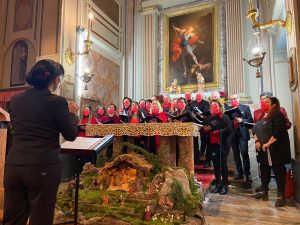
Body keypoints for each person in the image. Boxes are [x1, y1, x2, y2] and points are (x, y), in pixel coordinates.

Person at [3, 60, 79, 225]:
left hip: (14, 165)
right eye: (59, 78)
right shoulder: (56, 102)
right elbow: (71, 134)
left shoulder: (15, 100)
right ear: (53, 79)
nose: (59, 82)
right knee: (40, 218)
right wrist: (72, 114)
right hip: (42, 167)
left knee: (13, 219)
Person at [252, 96, 291, 207]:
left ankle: (280, 195)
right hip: (264, 149)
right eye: (262, 102)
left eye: (266, 102)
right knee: (264, 170)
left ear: (273, 104)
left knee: (278, 171)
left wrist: (268, 143)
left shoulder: (278, 114)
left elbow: (279, 131)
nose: (263, 103)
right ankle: (264, 191)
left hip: (276, 149)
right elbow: (254, 130)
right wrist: (257, 141)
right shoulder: (261, 116)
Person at [203, 100, 233, 195]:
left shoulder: (225, 117)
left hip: (223, 144)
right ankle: (218, 184)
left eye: (215, 105)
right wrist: (205, 130)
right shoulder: (209, 118)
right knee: (216, 165)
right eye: (211, 105)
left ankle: (225, 185)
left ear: (220, 106)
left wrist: (218, 132)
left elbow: (229, 129)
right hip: (213, 144)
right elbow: (205, 129)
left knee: (223, 165)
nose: (213, 106)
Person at [228, 93, 253, 182]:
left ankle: (248, 174)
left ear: (238, 99)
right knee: (235, 154)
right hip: (233, 134)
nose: (233, 100)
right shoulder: (228, 109)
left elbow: (250, 120)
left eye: (235, 98)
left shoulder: (245, 108)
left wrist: (242, 120)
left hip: (243, 134)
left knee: (244, 153)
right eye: (231, 99)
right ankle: (240, 172)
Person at [191, 92, 211, 166]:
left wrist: (201, 114)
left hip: (203, 124)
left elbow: (207, 113)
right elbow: (190, 110)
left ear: (202, 96)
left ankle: (203, 156)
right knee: (195, 141)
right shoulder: (193, 103)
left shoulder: (206, 103)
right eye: (197, 95)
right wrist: (192, 114)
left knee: (203, 140)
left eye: (199, 95)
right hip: (194, 123)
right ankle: (197, 156)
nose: (198, 96)